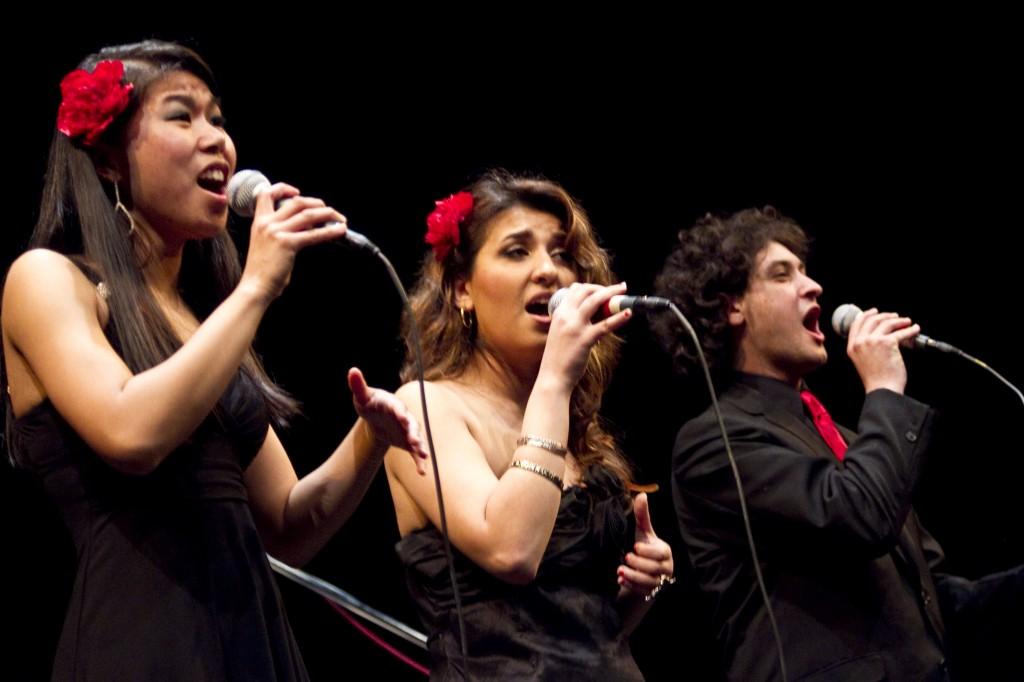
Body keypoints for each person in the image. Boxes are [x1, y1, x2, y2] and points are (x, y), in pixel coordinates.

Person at [2, 40, 426, 681]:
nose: (217, 142)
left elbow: (288, 522)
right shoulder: (47, 279)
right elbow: (130, 432)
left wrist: (370, 437)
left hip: (251, 638)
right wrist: (256, 288)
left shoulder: (203, 317)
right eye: (183, 116)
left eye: (219, 120)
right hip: (142, 642)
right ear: (111, 160)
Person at [652, 206, 1023, 681]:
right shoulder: (714, 441)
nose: (813, 287)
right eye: (782, 275)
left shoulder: (848, 443)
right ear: (732, 307)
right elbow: (859, 516)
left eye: (806, 272)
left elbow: (932, 599)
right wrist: (885, 389)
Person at [382, 171, 674, 680]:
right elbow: (511, 550)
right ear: (461, 289)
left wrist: (638, 588)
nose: (549, 271)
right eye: (518, 251)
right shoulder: (426, 407)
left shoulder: (577, 433)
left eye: (561, 254)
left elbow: (585, 632)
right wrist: (557, 380)